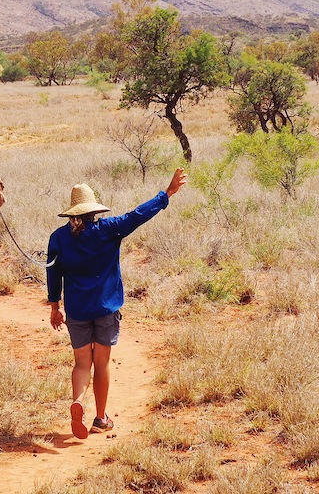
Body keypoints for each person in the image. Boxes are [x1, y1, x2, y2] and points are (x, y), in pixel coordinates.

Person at [47, 168, 187, 438]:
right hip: (105, 308)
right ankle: (100, 418)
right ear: (94, 211)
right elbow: (137, 215)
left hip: (76, 309)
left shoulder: (58, 238)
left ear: (72, 212)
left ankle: (78, 401)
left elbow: (52, 274)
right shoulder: (108, 230)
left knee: (80, 363)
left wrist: (55, 307)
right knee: (102, 364)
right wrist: (166, 193)